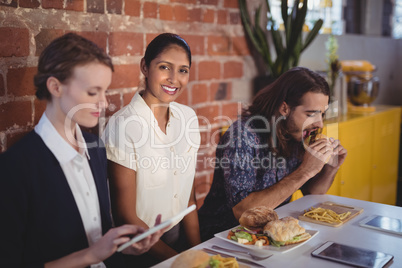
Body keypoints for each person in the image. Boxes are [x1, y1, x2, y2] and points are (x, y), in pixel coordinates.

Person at [0, 33, 164, 267]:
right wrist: (91, 255)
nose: (104, 103)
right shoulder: (15, 168)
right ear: (55, 87)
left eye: (104, 91)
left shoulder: (95, 149)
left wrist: (129, 247)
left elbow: (101, 241)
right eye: (92, 92)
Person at [198, 67, 348, 241]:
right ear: (284, 108)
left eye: (322, 114)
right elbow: (243, 211)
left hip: (270, 235)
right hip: (225, 236)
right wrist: (305, 171)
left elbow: (312, 192)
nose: (319, 123)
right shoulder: (242, 136)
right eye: (311, 114)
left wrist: (330, 167)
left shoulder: (297, 134)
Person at [102, 33, 201, 265]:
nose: (174, 79)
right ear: (145, 67)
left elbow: (188, 196)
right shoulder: (123, 126)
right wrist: (180, 262)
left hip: (180, 243)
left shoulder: (188, 118)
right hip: (140, 251)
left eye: (183, 70)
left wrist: (199, 252)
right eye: (165, 67)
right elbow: (125, 216)